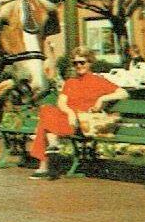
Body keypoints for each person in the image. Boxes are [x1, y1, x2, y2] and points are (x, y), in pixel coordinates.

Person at [28, 47, 130, 179]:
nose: (79, 66)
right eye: (75, 63)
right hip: (68, 119)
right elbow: (61, 102)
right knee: (46, 110)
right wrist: (70, 112)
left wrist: (102, 99)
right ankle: (52, 147)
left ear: (90, 62)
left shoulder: (99, 81)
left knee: (44, 125)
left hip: (82, 123)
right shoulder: (70, 82)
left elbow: (123, 93)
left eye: (82, 62)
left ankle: (45, 162)